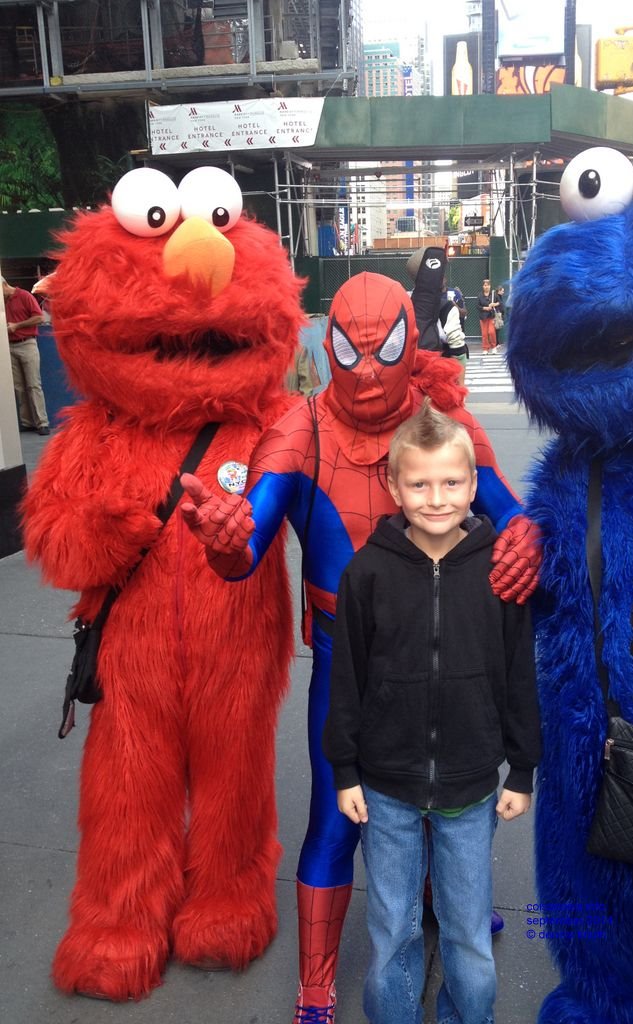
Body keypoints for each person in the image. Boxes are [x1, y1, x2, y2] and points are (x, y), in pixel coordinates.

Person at [179, 271, 542, 1024]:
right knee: (340, 816)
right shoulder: (301, 427)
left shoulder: (446, 428)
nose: (370, 370)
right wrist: (226, 537)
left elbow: (509, 514)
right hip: (349, 657)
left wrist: (528, 541)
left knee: (453, 786)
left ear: (413, 338)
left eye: (387, 348)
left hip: (447, 649)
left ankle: (453, 901)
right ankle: (318, 981)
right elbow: (248, 540)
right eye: (352, 350)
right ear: (329, 347)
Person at [323, 400, 541, 1024]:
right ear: (394, 486)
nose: (437, 497)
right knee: (393, 930)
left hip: (471, 786)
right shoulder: (366, 574)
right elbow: (349, 679)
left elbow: (519, 672)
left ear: (474, 484)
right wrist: (345, 772)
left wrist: (523, 770)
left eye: (451, 482)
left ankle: (464, 1015)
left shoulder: (499, 574)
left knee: (468, 933)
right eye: (419, 483)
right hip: (386, 784)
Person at [3, 276, 49, 434]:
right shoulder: (4, 302)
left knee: (33, 384)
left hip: (27, 343)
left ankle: (42, 422)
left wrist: (17, 325)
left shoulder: (24, 296)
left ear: (4, 284)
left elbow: (39, 317)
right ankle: (28, 422)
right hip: (9, 345)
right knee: (19, 387)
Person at [437, 290, 468, 385]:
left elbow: (464, 312)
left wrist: (454, 306)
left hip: (452, 344)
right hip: (431, 347)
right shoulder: (415, 296)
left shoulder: (454, 294)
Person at [478, 279, 499, 356]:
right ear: (483, 286)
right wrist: (485, 308)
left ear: (490, 286)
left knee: (491, 332)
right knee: (484, 334)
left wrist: (494, 304)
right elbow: (478, 306)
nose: (486, 287)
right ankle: (485, 349)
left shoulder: (494, 294)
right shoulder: (480, 295)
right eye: (485, 285)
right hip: (483, 317)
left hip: (491, 316)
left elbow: (499, 302)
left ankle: (494, 347)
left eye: (487, 285)